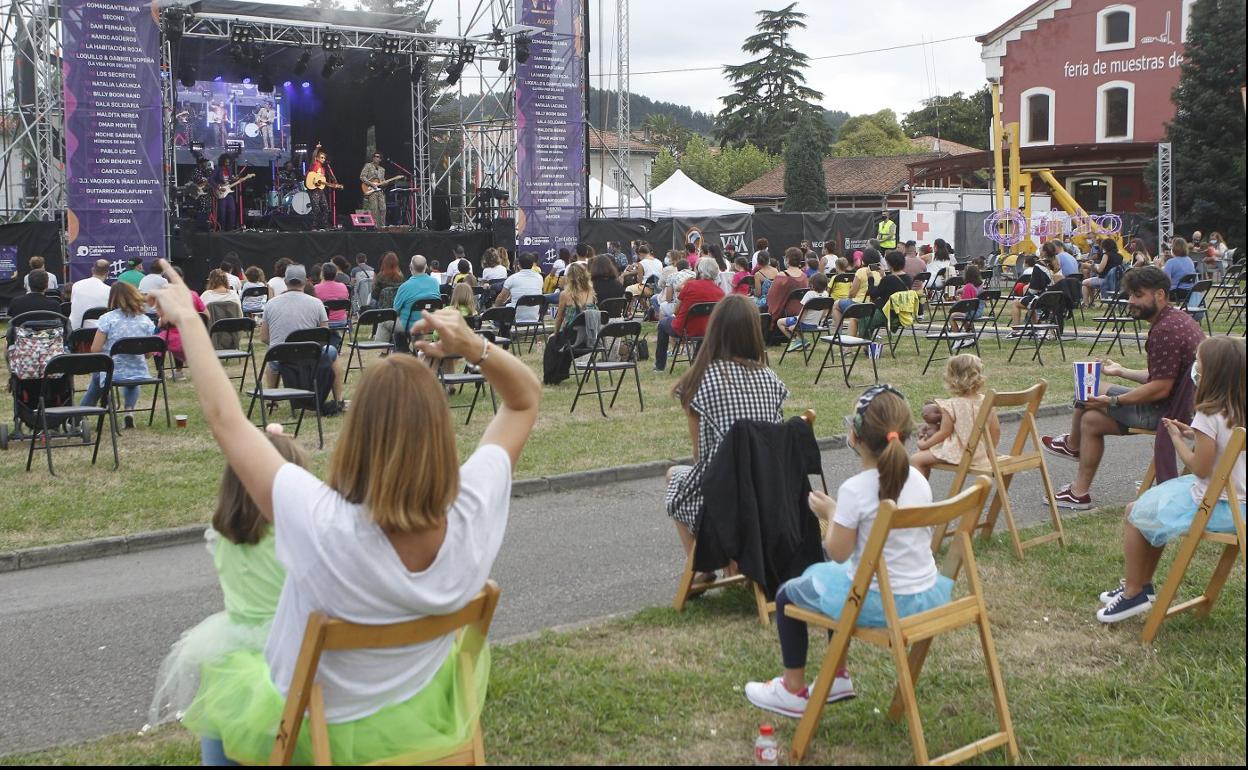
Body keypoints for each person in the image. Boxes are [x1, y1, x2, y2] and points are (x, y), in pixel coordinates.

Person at [144, 258, 540, 765]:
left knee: (223, 704)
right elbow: (524, 401)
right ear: (440, 435)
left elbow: (226, 420)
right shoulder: (472, 508)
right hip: (414, 713)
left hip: (316, 730)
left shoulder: (321, 522)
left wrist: (191, 321)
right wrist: (474, 347)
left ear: (356, 438)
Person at [744, 384, 950, 718]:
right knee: (831, 581)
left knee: (788, 594)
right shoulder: (917, 479)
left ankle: (792, 686)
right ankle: (837, 677)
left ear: (855, 437)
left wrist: (831, 514)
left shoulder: (855, 490)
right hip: (924, 593)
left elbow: (837, 552)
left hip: (882, 601)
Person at [148, 428, 307, 728]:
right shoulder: (291, 539)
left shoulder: (223, 538)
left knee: (223, 713)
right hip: (288, 649)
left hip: (233, 646)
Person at [1098, 337, 1245, 623]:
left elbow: (1200, 468)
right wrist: (1195, 434)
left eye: (1198, 366)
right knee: (1155, 508)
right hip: (1241, 506)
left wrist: (1178, 440)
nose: (1195, 372)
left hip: (1214, 506)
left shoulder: (1208, 413)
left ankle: (1133, 592)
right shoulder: (1238, 409)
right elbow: (1227, 448)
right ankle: (1141, 582)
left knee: (1134, 511)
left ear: (1211, 374)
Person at [1043, 266, 1206, 510]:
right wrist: (1121, 371)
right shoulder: (1179, 320)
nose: (1131, 301)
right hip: (1185, 407)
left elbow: (1160, 388)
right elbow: (1162, 377)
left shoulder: (1165, 330)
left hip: (1170, 413)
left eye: (1138, 295)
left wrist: (1113, 402)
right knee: (1091, 420)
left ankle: (1072, 445)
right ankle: (1079, 493)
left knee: (1090, 387)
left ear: (1159, 294)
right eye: (1130, 294)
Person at [664, 295, 786, 566]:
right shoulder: (771, 380)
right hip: (770, 493)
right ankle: (734, 565)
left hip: (727, 497)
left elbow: (700, 456)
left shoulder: (702, 380)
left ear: (714, 330)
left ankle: (700, 567)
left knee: (675, 476)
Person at [260, 264, 346, 410]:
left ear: (285, 282)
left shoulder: (270, 304)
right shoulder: (317, 303)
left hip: (281, 356)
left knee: (272, 356)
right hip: (310, 355)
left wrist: (282, 345)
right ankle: (339, 399)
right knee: (332, 352)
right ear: (305, 281)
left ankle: (273, 401)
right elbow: (324, 335)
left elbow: (264, 337)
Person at [80, 281, 156, 429]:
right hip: (137, 371)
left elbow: (95, 350)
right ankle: (129, 411)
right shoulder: (145, 321)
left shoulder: (108, 319)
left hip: (112, 371)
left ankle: (80, 416)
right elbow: (148, 355)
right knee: (132, 379)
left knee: (97, 377)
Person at [910, 354, 1000, 478]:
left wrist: (924, 444)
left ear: (952, 378)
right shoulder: (986, 401)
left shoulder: (951, 404)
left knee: (916, 459)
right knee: (923, 457)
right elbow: (995, 430)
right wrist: (989, 451)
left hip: (958, 453)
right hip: (980, 453)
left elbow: (944, 432)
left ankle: (921, 496)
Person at [653, 257, 726, 372]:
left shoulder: (690, 285)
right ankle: (697, 361)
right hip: (708, 330)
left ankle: (659, 366)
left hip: (685, 329)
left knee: (662, 324)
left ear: (699, 270)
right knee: (702, 326)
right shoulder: (720, 292)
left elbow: (676, 311)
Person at [392, 255, 443, 348]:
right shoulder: (435, 283)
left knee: (387, 323)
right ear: (426, 267)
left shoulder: (405, 287)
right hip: (430, 324)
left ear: (410, 268)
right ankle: (416, 349)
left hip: (409, 325)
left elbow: (395, 310)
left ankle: (387, 351)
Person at [829, 249, 883, 337]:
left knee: (836, 305)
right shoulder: (880, 273)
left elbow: (852, 293)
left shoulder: (861, 271)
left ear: (864, 259)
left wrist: (849, 297)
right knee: (854, 317)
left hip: (858, 304)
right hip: (872, 306)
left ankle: (838, 334)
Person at [780, 272, 829, 353]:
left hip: (804, 323)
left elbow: (803, 312)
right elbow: (825, 312)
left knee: (780, 322)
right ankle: (803, 342)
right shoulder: (826, 294)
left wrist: (796, 325)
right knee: (794, 323)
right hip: (815, 324)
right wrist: (819, 321)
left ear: (813, 284)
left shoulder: (809, 295)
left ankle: (794, 341)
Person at [494, 252, 545, 323]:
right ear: (533, 264)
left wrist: (495, 309)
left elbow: (501, 298)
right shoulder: (540, 278)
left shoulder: (512, 278)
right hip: (535, 317)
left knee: (500, 313)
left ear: (518, 265)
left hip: (515, 317)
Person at [551, 262, 596, 334]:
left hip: (572, 335)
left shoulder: (565, 294)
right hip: (590, 333)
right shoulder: (591, 292)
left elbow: (559, 318)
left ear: (569, 277)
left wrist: (555, 334)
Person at [69, 259, 113, 330]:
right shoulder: (110, 290)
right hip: (98, 331)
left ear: (92, 270)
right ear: (107, 273)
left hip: (75, 330)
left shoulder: (76, 285)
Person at [1081, 238, 1125, 307]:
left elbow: (1099, 270)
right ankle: (1091, 302)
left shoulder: (1106, 255)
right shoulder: (1120, 256)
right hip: (1116, 281)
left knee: (1084, 283)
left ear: (1105, 246)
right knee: (1089, 283)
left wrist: (1091, 266)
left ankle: (1086, 304)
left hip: (1105, 280)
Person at [315, 263, 351, 342]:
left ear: (322, 274)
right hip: (341, 321)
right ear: (335, 274)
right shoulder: (343, 286)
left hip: (324, 322)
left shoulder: (316, 288)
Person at [359, 152, 389, 227]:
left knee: (383, 208)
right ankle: (374, 227)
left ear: (380, 159)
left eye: (378, 157)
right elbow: (362, 177)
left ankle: (383, 226)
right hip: (371, 190)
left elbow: (382, 181)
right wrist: (371, 183)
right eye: (375, 156)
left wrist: (385, 183)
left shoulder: (382, 169)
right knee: (374, 209)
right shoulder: (368, 165)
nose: (376, 158)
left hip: (380, 191)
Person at [213, 154, 240, 232]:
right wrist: (219, 187)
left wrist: (234, 179)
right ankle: (222, 229)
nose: (227, 164)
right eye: (226, 162)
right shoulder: (218, 169)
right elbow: (211, 180)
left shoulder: (230, 169)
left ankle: (230, 229)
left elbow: (230, 179)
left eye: (228, 162)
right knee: (222, 212)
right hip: (221, 192)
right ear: (222, 162)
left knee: (233, 209)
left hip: (229, 192)